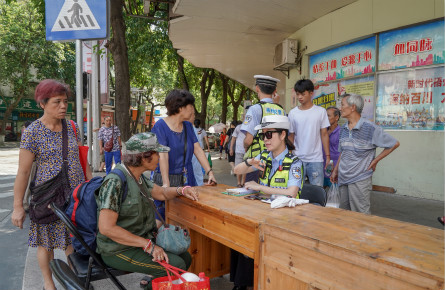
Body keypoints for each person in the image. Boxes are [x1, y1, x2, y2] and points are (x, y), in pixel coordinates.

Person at [11, 79, 92, 290]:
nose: (63, 106)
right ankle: (49, 284)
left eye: (65, 101)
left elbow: (82, 160)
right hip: (47, 198)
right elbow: (24, 171)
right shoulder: (33, 132)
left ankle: (75, 282)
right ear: (42, 104)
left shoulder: (72, 127)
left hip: (74, 196)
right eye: (57, 102)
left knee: (72, 242)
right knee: (45, 243)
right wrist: (18, 206)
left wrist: (90, 187)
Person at [96, 132, 199, 290]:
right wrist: (148, 245)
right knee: (176, 265)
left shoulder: (138, 177)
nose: (160, 157)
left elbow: (162, 193)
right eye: (156, 153)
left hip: (139, 242)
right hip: (117, 249)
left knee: (185, 257)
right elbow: (106, 228)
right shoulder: (115, 182)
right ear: (144, 157)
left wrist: (182, 190)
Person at [232, 115, 302, 290]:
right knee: (237, 235)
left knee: (248, 241)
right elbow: (236, 170)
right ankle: (242, 284)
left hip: (284, 221)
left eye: (269, 135)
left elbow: (291, 192)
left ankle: (246, 284)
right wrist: (249, 161)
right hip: (263, 215)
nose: (265, 140)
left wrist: (259, 187)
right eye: (263, 135)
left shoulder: (294, 162)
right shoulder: (264, 156)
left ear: (283, 135)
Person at [151, 89, 216, 226]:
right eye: (190, 106)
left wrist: (209, 172)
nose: (193, 110)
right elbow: (163, 156)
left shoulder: (187, 126)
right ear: (180, 108)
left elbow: (197, 149)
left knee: (187, 215)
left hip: (187, 178)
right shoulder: (160, 126)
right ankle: (152, 244)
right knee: (162, 217)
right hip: (167, 177)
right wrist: (166, 186)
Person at [331, 94, 400, 214]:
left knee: (361, 216)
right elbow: (343, 152)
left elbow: (394, 143)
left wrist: (375, 160)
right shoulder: (343, 129)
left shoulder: (370, 128)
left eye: (342, 105)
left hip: (360, 178)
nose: (340, 108)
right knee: (344, 214)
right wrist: (336, 170)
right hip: (343, 178)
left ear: (352, 107)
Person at [241, 75, 286, 183]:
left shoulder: (255, 109)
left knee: (253, 195)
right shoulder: (281, 110)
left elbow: (248, 140)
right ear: (275, 90)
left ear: (257, 88)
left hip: (257, 161)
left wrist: (245, 146)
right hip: (277, 161)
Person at [288, 79, 330, 187]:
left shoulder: (321, 111)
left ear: (311, 93)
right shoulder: (293, 113)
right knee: (295, 191)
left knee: (317, 192)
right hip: (297, 158)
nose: (300, 97)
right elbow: (291, 136)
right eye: (298, 94)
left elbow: (324, 134)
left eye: (303, 94)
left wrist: (327, 156)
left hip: (316, 159)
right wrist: (288, 155)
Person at [322, 106, 341, 188]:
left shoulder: (341, 132)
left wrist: (336, 170)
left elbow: (342, 152)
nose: (326, 118)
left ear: (336, 117)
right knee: (319, 194)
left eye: (328, 116)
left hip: (334, 167)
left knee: (334, 195)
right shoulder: (323, 130)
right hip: (321, 166)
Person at [21, 120, 35, 212]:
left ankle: (26, 202)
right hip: (32, 162)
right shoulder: (29, 134)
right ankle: (25, 203)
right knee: (30, 182)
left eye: (23, 126)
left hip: (33, 162)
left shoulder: (29, 134)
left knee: (31, 183)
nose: (23, 128)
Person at [230, 120, 246, 187]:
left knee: (245, 167)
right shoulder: (238, 127)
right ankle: (239, 183)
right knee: (239, 167)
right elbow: (233, 138)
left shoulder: (250, 127)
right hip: (239, 151)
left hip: (247, 151)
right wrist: (231, 148)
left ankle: (243, 182)